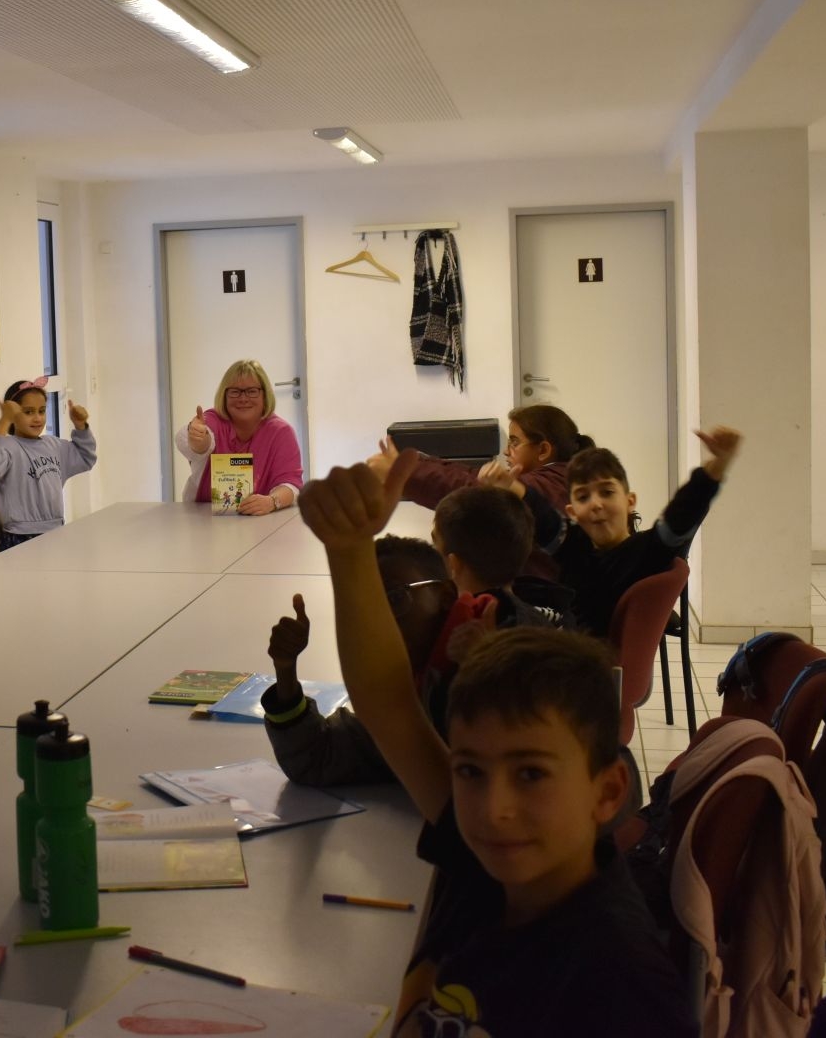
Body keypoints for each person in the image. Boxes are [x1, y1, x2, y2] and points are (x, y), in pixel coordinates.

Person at [298, 451, 693, 1037]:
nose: (493, 807)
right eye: (469, 771)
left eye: (531, 774)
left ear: (607, 792)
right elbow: (389, 707)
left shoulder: (619, 981)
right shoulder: (483, 853)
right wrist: (348, 549)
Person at [503, 429, 743, 638]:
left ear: (630, 501)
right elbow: (545, 518)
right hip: (572, 645)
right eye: (583, 497)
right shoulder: (576, 546)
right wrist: (512, 486)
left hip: (587, 664)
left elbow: (682, 513)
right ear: (572, 512)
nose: (596, 504)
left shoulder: (646, 552)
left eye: (607, 492)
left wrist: (716, 467)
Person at [262, 536, 454, 786]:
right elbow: (318, 757)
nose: (379, 619)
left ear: (446, 595)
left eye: (395, 598)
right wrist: (285, 668)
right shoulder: (406, 689)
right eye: (368, 607)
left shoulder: (489, 675)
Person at [370, 402, 590, 515]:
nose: (506, 451)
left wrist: (404, 472)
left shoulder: (544, 486)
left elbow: (470, 490)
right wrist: (417, 462)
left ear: (543, 450)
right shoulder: (559, 476)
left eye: (514, 442)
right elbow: (470, 475)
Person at [174, 358, 303, 514]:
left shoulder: (281, 432)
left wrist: (271, 502)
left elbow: (291, 484)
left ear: (265, 395)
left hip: (262, 518)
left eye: (252, 391)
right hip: (204, 516)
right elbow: (194, 443)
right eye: (235, 392)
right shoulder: (212, 420)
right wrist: (198, 439)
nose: (243, 399)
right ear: (224, 396)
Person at [0, 378, 98, 550]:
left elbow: (86, 457)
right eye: (28, 412)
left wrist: (81, 426)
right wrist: (4, 421)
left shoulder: (54, 445)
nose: (37, 418)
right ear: (12, 414)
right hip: (19, 537)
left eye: (42, 411)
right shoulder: (7, 446)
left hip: (55, 531)